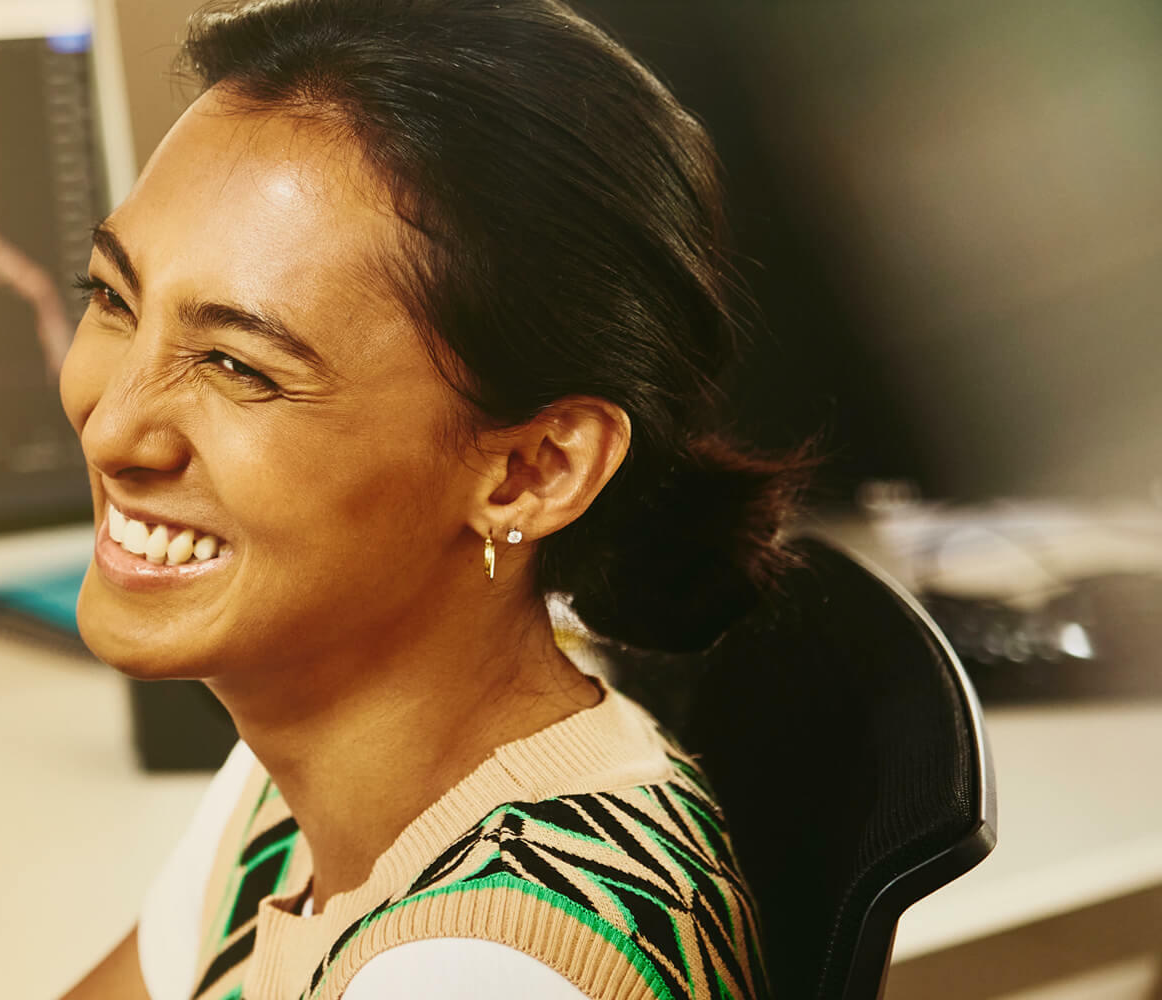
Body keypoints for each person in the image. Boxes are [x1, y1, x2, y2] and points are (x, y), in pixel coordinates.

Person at [53, 0, 803, 996]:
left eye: (238, 364)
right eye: (111, 298)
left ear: (530, 470)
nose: (110, 428)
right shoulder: (299, 792)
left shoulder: (488, 972)